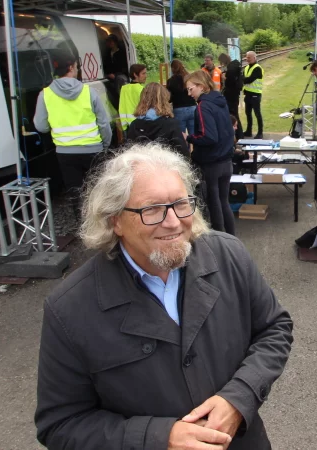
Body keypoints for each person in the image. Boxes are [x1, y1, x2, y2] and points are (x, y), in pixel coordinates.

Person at [34, 142, 293, 450]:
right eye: (151, 209)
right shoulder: (70, 309)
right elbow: (61, 426)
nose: (173, 222)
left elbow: (275, 329)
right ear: (114, 220)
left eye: (181, 204)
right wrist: (158, 439)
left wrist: (240, 397)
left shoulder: (228, 255)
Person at [34, 53, 112, 209]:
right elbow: (104, 123)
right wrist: (105, 145)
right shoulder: (88, 91)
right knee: (97, 190)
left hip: (65, 152)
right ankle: (99, 226)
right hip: (93, 149)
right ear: (70, 67)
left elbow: (41, 126)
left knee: (75, 191)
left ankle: (81, 225)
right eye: (77, 66)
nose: (77, 69)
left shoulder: (45, 94)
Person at [185, 71, 236, 235]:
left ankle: (220, 241)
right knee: (224, 201)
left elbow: (209, 136)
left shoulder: (202, 106)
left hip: (212, 162)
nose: (189, 93)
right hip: (226, 160)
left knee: (214, 203)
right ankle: (232, 238)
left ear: (201, 86)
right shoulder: (220, 101)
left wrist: (190, 138)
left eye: (191, 89)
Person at [126, 82, 189, 159]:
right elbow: (183, 155)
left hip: (142, 168)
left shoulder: (134, 125)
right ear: (165, 100)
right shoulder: (171, 124)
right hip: (165, 167)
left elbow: (129, 153)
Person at [166, 59, 197, 135]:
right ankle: (193, 147)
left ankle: (185, 147)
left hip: (179, 109)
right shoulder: (190, 78)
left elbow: (168, 97)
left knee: (181, 136)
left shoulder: (171, 81)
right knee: (194, 134)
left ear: (172, 68)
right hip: (193, 107)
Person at [220, 54, 244, 135]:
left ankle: (239, 134)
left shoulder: (231, 69)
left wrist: (224, 78)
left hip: (231, 96)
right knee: (234, 114)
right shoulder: (235, 66)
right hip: (235, 94)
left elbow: (230, 83)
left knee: (233, 115)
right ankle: (238, 134)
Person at [118, 64, 147, 131]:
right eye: (143, 73)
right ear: (135, 75)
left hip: (127, 125)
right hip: (139, 125)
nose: (146, 76)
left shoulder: (123, 88)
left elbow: (122, 107)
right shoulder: (142, 89)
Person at [243, 51, 264, 138]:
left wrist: (242, 79)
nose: (247, 59)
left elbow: (249, 80)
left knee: (257, 113)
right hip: (248, 94)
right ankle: (249, 131)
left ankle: (260, 133)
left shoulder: (257, 68)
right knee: (248, 113)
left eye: (249, 57)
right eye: (247, 57)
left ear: (254, 58)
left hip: (255, 94)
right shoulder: (247, 67)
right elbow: (244, 78)